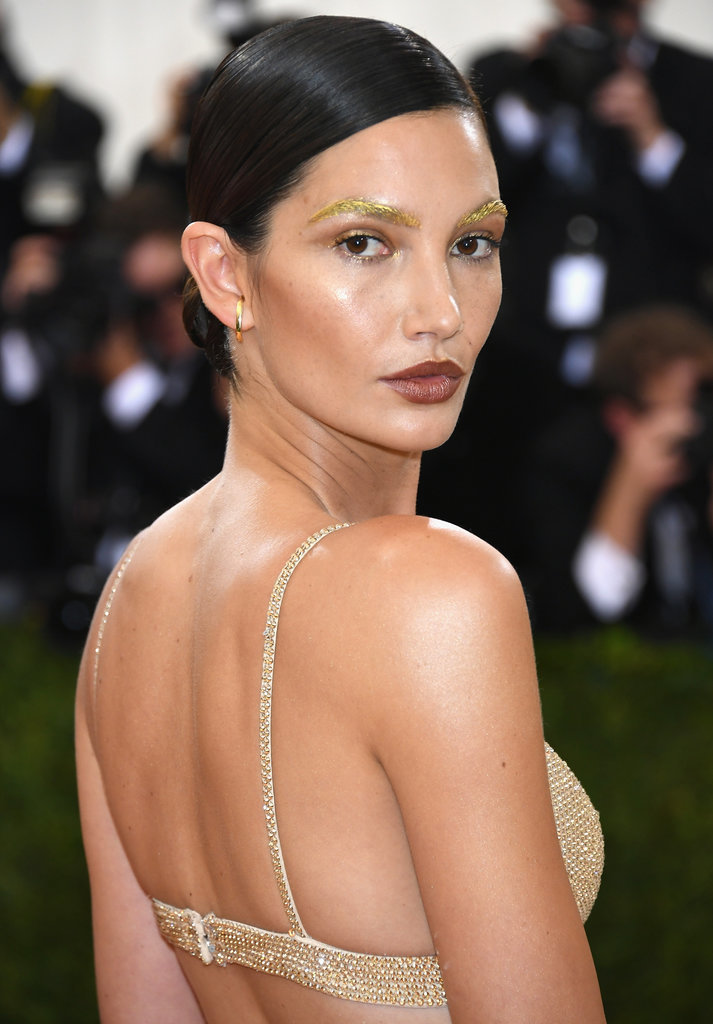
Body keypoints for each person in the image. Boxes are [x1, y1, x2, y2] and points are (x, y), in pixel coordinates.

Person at [75, 17, 605, 1023]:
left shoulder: (130, 597)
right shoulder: (431, 592)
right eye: (364, 243)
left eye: (472, 243)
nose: (440, 310)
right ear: (224, 274)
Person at [418, 0, 713, 561]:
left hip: (649, 358)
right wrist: (533, 99)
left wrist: (652, 136)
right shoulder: (509, 74)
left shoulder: (693, 82)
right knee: (503, 505)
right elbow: (458, 194)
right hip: (522, 357)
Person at [523, 305, 713, 636]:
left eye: (696, 404)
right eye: (667, 411)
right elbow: (596, 607)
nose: (687, 423)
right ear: (621, 416)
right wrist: (631, 488)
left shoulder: (700, 450)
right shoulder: (567, 463)